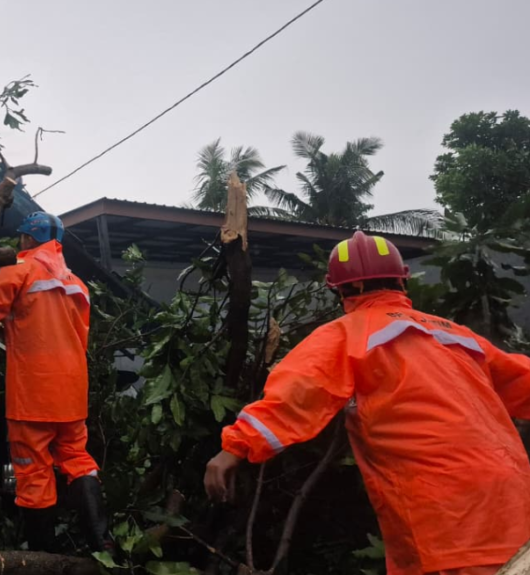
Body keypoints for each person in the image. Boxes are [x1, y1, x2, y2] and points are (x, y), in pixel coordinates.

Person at [204, 231, 530, 575]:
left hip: (445, 515)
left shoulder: (346, 334)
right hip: (513, 499)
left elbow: (297, 393)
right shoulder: (456, 333)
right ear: (401, 279)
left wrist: (234, 448)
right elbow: (522, 381)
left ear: (339, 288)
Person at [0, 211, 112, 553]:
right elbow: (77, 337)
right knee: (78, 459)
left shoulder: (20, 270)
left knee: (32, 470)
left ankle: (44, 553)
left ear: (29, 239)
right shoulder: (78, 285)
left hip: (33, 394)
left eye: (22, 237)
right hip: (72, 392)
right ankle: (102, 540)